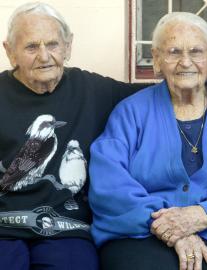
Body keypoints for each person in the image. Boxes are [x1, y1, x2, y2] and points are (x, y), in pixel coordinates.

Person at [89, 12, 207, 270]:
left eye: (196, 51)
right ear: (157, 59)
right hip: (143, 234)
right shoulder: (130, 112)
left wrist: (204, 214)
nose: (185, 62)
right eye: (174, 51)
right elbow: (109, 185)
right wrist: (169, 226)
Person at [0, 2, 146, 269]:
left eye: (53, 45)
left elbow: (152, 98)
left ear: (68, 47)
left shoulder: (92, 89)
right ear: (10, 51)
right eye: (31, 47)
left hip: (67, 229)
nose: (44, 56)